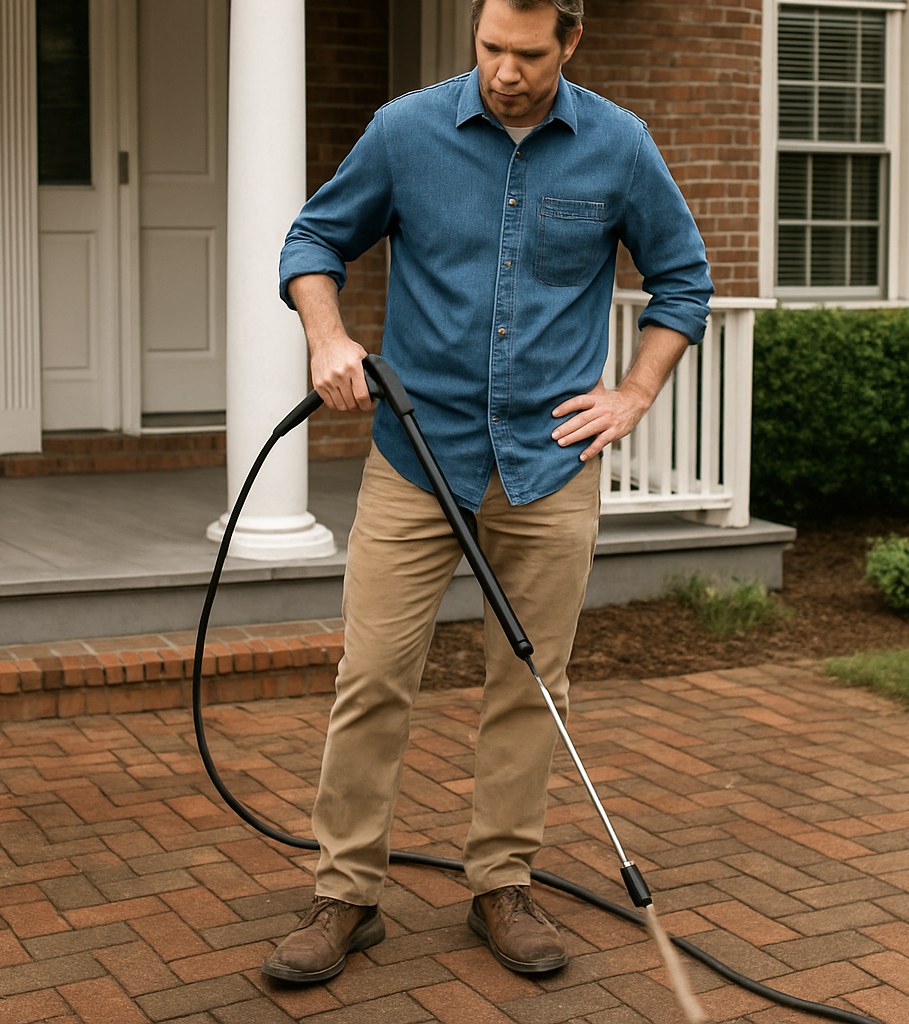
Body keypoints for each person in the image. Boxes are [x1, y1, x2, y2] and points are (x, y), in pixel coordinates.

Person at [262, 0, 712, 984]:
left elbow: (682, 282)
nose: (504, 72)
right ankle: (344, 894)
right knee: (374, 673)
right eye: (489, 49)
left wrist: (633, 392)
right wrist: (328, 336)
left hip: (548, 465)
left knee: (530, 685)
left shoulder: (619, 147)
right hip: (417, 459)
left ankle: (500, 884)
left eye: (526, 54)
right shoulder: (405, 132)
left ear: (570, 41)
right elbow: (311, 244)